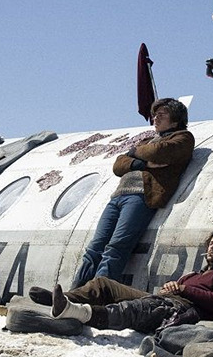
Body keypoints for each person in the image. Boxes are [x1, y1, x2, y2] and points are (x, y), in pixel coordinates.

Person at [72, 98, 196, 285]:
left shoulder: (183, 138)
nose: (156, 118)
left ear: (176, 120)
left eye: (162, 115)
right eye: (155, 115)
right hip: (118, 196)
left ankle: (97, 292)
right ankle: (76, 291)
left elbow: (158, 152)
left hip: (141, 197)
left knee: (117, 247)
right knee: (95, 247)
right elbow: (118, 165)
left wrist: (135, 153)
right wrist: (142, 161)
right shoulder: (147, 141)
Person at [38, 229, 213, 333]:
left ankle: (76, 311)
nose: (212, 247)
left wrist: (183, 289)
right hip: (165, 300)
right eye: (211, 243)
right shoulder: (194, 274)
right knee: (103, 283)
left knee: (135, 309)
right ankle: (62, 299)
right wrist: (174, 287)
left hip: (181, 309)